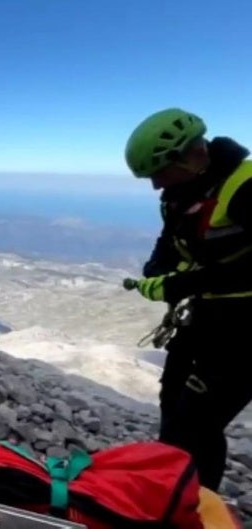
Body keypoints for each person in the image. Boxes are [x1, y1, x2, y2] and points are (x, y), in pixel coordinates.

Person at [123, 107, 252, 492]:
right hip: (209, 313)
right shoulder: (184, 190)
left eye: (160, 172)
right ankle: (170, 490)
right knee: (173, 397)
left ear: (191, 155)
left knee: (197, 421)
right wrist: (156, 269)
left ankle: (197, 505)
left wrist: (180, 285)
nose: (156, 186)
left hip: (248, 327)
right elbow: (172, 238)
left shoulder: (246, 188)